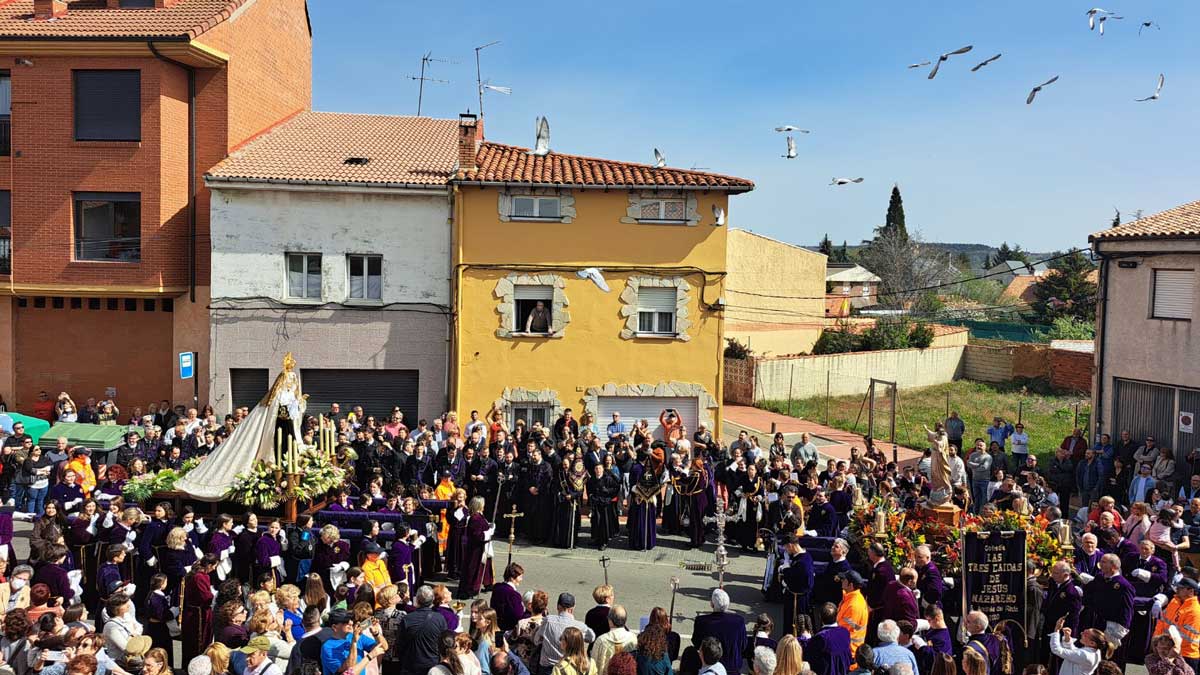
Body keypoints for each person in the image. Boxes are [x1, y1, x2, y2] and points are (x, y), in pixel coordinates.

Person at [536, 592, 596, 673]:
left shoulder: (548, 621)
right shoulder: (580, 626)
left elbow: (536, 640)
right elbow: (591, 637)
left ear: (558, 606)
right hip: (567, 667)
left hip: (547, 667)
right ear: (572, 608)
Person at [692, 589, 747, 675]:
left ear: (711, 604)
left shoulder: (701, 621)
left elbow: (696, 643)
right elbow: (743, 645)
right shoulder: (739, 621)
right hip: (732, 668)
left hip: (709, 667)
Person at [399, 585, 449, 675]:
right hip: (432, 664)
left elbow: (400, 643)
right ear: (432, 600)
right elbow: (444, 642)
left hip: (411, 664)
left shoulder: (407, 619)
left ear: (417, 599)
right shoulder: (439, 619)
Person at [1154, 577, 1200, 673]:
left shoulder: (1195, 611)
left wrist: (1166, 649)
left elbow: (1187, 639)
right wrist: (1156, 641)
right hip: (1167, 652)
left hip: (1185, 656)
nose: (1177, 589)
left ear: (1190, 591)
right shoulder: (1174, 602)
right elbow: (1162, 621)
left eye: (1181, 588)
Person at [807, 602, 851, 675]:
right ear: (837, 616)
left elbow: (811, 660)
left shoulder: (820, 638)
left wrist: (806, 640)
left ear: (820, 617)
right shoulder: (845, 632)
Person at [593, 605, 637, 675]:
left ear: (610, 621)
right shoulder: (633, 638)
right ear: (625, 620)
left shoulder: (601, 640)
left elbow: (594, 665)